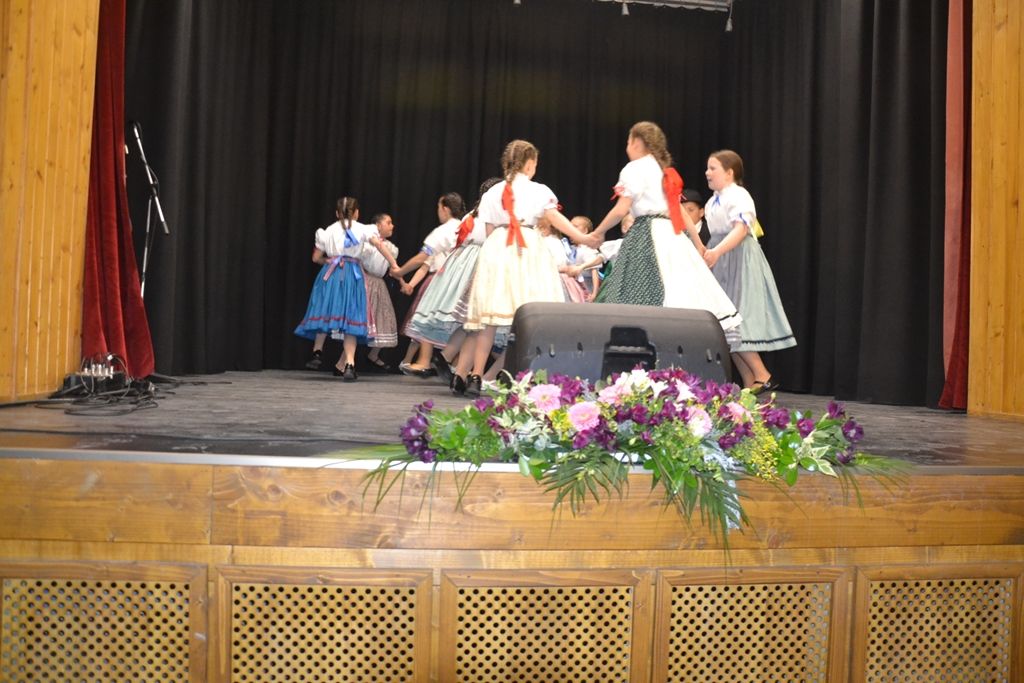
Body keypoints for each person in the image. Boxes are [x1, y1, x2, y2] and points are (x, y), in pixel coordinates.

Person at [459, 139, 595, 397]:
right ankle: (523, 378)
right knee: (531, 314)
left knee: (489, 318)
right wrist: (582, 237)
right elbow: (555, 218)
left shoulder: (492, 192)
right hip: (527, 247)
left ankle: (475, 375)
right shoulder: (539, 190)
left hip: (498, 246)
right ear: (530, 163)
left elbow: (489, 231)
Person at [590, 121, 742, 346]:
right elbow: (679, 211)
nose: (627, 147)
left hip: (647, 233)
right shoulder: (662, 171)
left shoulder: (634, 168)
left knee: (639, 290)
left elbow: (622, 209)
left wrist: (598, 232)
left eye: (628, 142)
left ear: (636, 142)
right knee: (680, 287)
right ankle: (688, 340)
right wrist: (698, 244)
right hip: (673, 235)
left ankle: (639, 343)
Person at [702, 149, 796, 392]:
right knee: (723, 321)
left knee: (736, 317)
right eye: (708, 168)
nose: (707, 173)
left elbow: (741, 229)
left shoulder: (739, 195)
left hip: (739, 257)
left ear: (729, 172)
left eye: (713, 168)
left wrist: (717, 252)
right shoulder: (712, 201)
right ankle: (749, 381)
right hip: (721, 258)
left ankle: (762, 374)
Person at [405, 178, 503, 391]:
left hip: (462, 262)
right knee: (477, 323)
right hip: (481, 263)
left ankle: (454, 366)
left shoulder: (471, 215)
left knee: (470, 324)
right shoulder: (493, 215)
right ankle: (462, 369)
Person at [294, 196, 400, 381]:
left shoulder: (327, 231)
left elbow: (316, 258)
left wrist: (328, 261)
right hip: (352, 274)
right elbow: (379, 245)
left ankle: (317, 351)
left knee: (326, 309)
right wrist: (394, 264)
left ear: (337, 213)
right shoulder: (363, 229)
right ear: (357, 213)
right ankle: (350, 363)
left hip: (332, 273)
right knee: (352, 316)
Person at [391, 192, 465, 375]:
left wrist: (400, 272)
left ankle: (424, 361)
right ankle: (460, 367)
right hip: (464, 281)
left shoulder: (444, 230)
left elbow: (422, 258)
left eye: (439, 207)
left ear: (445, 209)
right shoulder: (467, 225)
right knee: (461, 323)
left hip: (445, 280)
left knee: (428, 317)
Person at [360, 213, 400, 371]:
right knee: (361, 317)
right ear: (377, 225)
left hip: (378, 283)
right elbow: (358, 261)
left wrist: (404, 283)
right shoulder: (367, 243)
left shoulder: (391, 248)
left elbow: (393, 269)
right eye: (388, 222)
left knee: (383, 317)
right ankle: (347, 358)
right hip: (365, 280)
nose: (392, 226)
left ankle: (373, 354)